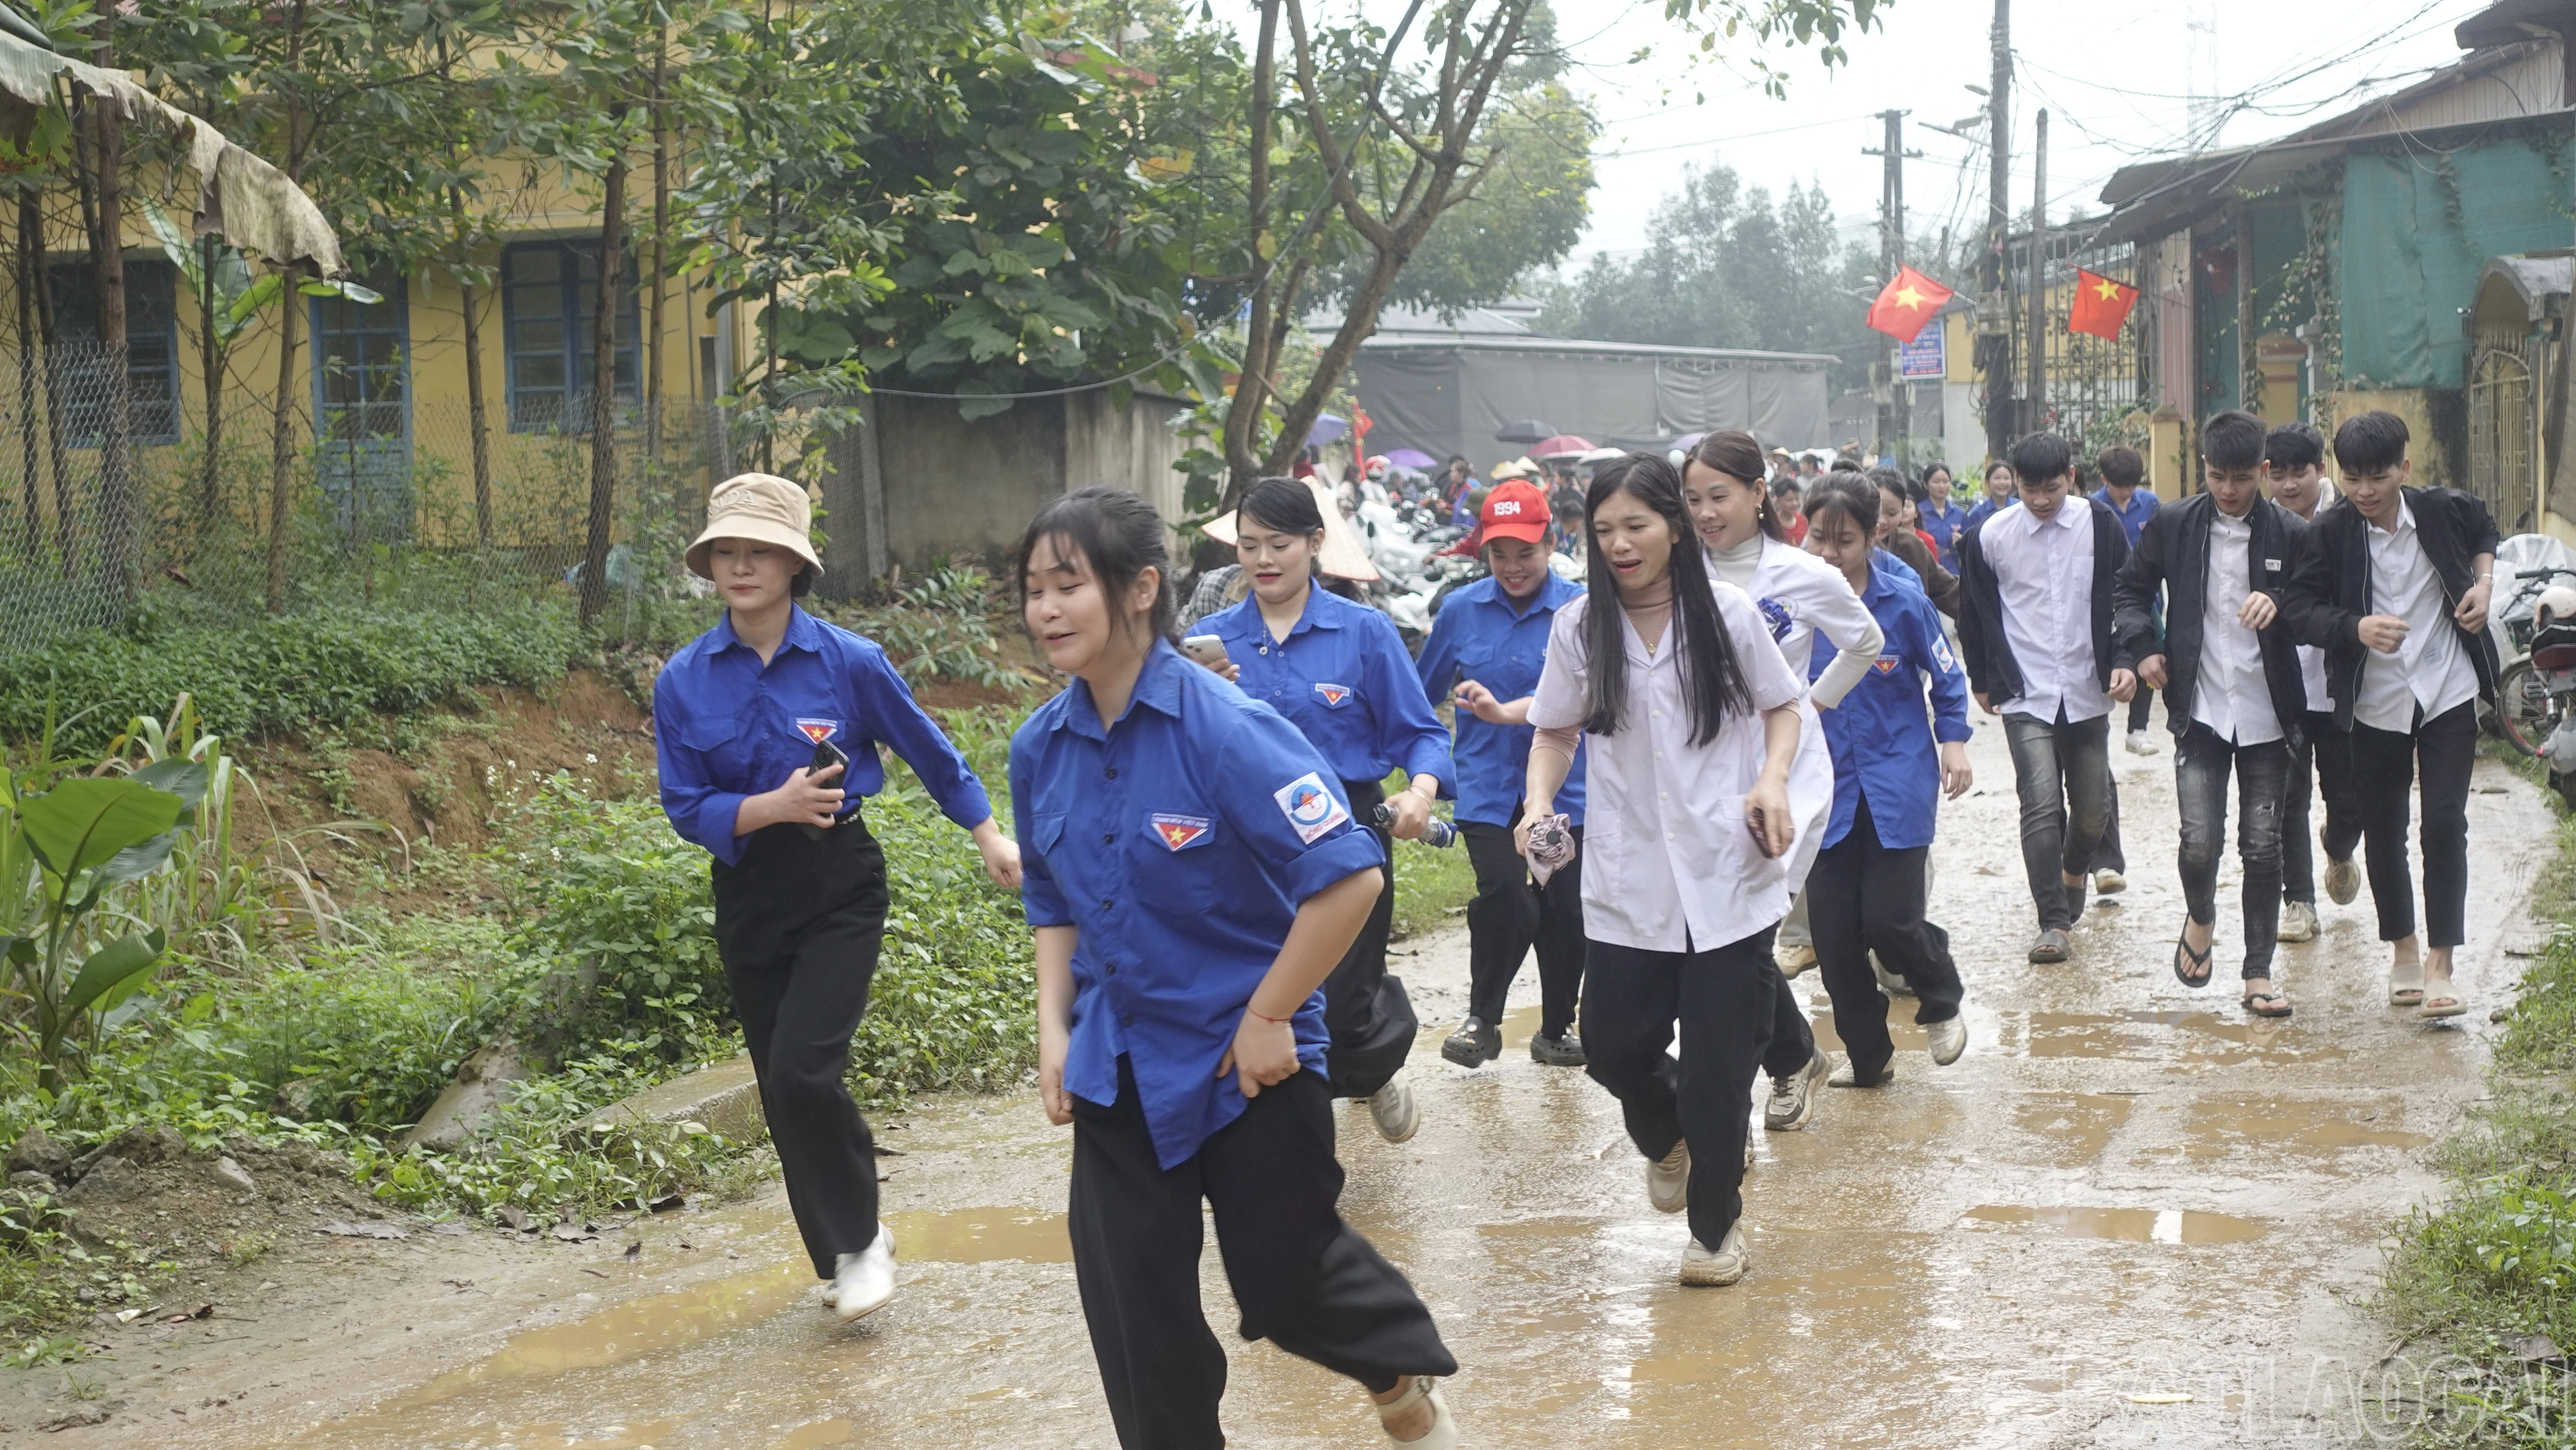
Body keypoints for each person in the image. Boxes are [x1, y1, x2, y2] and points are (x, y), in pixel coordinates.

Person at [1012, 487, 1461, 1450]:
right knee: (1139, 1322)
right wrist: (1054, 1029)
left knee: (1287, 1287)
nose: (1045, 609)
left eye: (1068, 585)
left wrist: (1268, 1014)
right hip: (1120, 1061)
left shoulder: (1224, 725)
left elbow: (1349, 876)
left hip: (1249, 1062)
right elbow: (1050, 900)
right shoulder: (1038, 747)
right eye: (1034, 589)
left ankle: (1392, 1365)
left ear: (1138, 590)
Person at [652, 472, 1022, 1322]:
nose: (741, 567)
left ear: (794, 565)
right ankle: (844, 1253)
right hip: (748, 888)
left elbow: (928, 750)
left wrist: (988, 835)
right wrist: (769, 808)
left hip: (839, 883)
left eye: (760, 552)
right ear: (710, 565)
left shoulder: (850, 663)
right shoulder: (683, 680)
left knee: (804, 1073)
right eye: (727, 553)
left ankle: (858, 1244)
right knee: (782, 1090)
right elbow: (683, 805)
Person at [1522, 452, 1810, 1288]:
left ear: (1674, 529)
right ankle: (1667, 1134)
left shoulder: (1727, 614)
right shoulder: (1580, 626)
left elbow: (1782, 705)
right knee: (1612, 1048)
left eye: (1635, 526)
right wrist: (1537, 804)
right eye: (1603, 529)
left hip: (1729, 873)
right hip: (1628, 880)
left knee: (1720, 1068)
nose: (1618, 543)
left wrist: (1769, 777)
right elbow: (1552, 730)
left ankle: (1715, 1230)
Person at [1198, 478, 1452, 1140]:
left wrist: (1420, 793)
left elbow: (1421, 733)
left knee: (1340, 1005)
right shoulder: (1209, 642)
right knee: (1261, 998)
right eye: (1248, 546)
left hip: (1345, 831)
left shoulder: (1363, 632)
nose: (1263, 560)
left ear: (1315, 544)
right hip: (1242, 844)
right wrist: (1205, 698)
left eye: (1279, 544)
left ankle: (1372, 1063)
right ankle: (1289, 1164)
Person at [2280, 411, 2498, 1020]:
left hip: (2446, 690)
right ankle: (2403, 949)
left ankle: (2440, 965)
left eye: (2378, 477)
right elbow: (2298, 609)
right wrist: (2355, 627)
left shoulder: (2438, 508)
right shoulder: (2329, 533)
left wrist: (2482, 585)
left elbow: (2485, 525)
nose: (2366, 491)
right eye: (2353, 478)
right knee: (2384, 827)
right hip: (2374, 703)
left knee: (2445, 824)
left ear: (2404, 468)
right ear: (2339, 474)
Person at [1679, 430, 1860, 1130]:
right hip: (1705, 770)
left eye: (1719, 496)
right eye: (1692, 499)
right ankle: (1796, 1056)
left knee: (1748, 935)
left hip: (1790, 774)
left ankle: (1730, 1105)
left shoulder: (1803, 573)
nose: (1705, 513)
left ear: (1759, 493)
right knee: (1719, 936)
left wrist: (1808, 703)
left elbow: (1863, 641)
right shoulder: (1678, 571)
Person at [2112, 410, 2311, 1018]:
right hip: (2199, 708)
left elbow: (2318, 603)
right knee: (2200, 841)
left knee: (2262, 846)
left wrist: (2279, 600)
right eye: (2219, 476)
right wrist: (2144, 649)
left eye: (2243, 478)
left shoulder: (2291, 534)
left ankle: (2258, 972)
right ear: (2203, 469)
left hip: (2268, 714)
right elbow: (2129, 589)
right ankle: (2200, 917)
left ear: (2265, 472)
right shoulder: (2173, 523)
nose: (2229, 490)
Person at [1797, 474, 1973, 1082]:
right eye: (1818, 537)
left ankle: (1941, 992)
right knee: (1837, 941)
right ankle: (1869, 1059)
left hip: (1898, 779)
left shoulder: (1903, 601)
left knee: (1890, 920)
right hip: (1822, 788)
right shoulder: (1789, 606)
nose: (1827, 554)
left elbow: (1947, 677)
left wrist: (1953, 742)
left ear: (1875, 535)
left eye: (1843, 541)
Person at [1415, 480, 1590, 1069]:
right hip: (1487, 788)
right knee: (1510, 897)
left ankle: (1556, 1027)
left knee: (1566, 911)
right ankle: (1482, 1021)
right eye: (1499, 553)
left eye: (1526, 552)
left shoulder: (1581, 609)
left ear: (1550, 542)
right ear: (1483, 552)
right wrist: (1431, 770)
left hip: (1570, 788)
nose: (1513, 567)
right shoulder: (1461, 611)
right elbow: (1419, 703)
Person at [1956, 433, 2138, 964]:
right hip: (2025, 688)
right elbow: (1974, 610)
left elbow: (2129, 596)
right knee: (2039, 802)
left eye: (2051, 488)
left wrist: (2126, 658)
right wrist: (1982, 679)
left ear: (2072, 477)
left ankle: (2074, 868)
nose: (2040, 500)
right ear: (2014, 480)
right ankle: (2053, 921)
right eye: (2029, 488)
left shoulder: (2100, 526)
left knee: (2091, 812)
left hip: (2086, 685)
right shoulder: (1991, 535)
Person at [2265, 419, 2357, 944]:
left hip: (2341, 682)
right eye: (2279, 474)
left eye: (2300, 472)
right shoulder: (2259, 526)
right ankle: (2299, 902)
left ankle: (2340, 846)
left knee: (2350, 798)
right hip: (2283, 688)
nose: (2290, 484)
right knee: (2288, 798)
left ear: (2321, 470)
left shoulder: (2349, 519)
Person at [2092, 445, 2164, 756]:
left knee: (2147, 654)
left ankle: (2138, 730)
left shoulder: (2150, 504)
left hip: (2145, 596)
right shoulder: (2092, 508)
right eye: (2120, 486)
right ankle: (2096, 728)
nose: (2127, 493)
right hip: (2106, 597)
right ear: (2104, 479)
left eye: (2132, 486)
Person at [1869, 467, 1959, 618]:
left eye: (1892, 514)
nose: (1882, 521)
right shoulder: (1849, 546)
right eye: (1876, 512)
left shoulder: (1912, 545)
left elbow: (1947, 590)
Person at [1919, 461, 1965, 572]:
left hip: (1954, 574)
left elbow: (1970, 545)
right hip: (1928, 573)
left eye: (1946, 482)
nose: (1941, 486)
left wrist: (1962, 541)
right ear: (1926, 484)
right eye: (1936, 482)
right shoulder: (1918, 513)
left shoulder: (1959, 514)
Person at [1961, 459, 2016, 536]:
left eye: (2006, 478)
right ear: (1987, 482)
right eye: (1997, 478)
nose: (2002, 482)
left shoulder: (2020, 507)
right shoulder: (1976, 514)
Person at [1770, 475, 1809, 544]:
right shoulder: (1772, 523)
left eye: (1797, 498)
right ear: (1778, 502)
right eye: (1789, 500)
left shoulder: (1803, 520)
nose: (1795, 503)